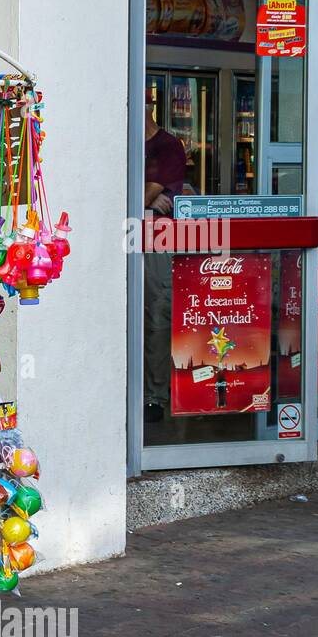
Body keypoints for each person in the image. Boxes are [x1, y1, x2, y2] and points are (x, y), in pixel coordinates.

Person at [142, 96, 188, 423]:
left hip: (155, 241)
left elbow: (138, 196)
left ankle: (153, 397)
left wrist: (146, 194)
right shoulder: (124, 144)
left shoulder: (168, 146)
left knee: (155, 315)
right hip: (123, 236)